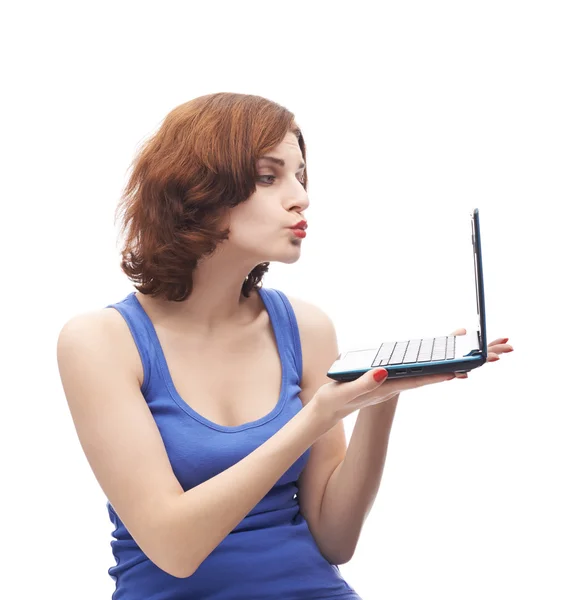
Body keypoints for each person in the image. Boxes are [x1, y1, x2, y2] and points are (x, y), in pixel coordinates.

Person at [56, 92, 513, 599]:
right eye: (269, 176)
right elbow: (175, 548)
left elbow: (335, 539)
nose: (301, 197)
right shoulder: (100, 342)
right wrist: (314, 418)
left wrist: (381, 397)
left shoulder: (305, 328)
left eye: (300, 175)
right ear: (198, 189)